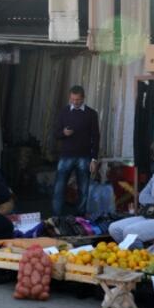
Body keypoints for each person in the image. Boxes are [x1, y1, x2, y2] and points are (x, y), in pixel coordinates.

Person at [51, 85, 100, 216]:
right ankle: (56, 217)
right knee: (59, 188)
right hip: (66, 155)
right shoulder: (64, 112)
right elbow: (55, 133)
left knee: (83, 189)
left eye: (78, 99)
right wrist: (63, 133)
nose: (75, 102)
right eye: (72, 99)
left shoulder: (91, 114)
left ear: (83, 98)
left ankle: (81, 218)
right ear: (69, 97)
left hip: (84, 156)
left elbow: (96, 137)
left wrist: (94, 159)